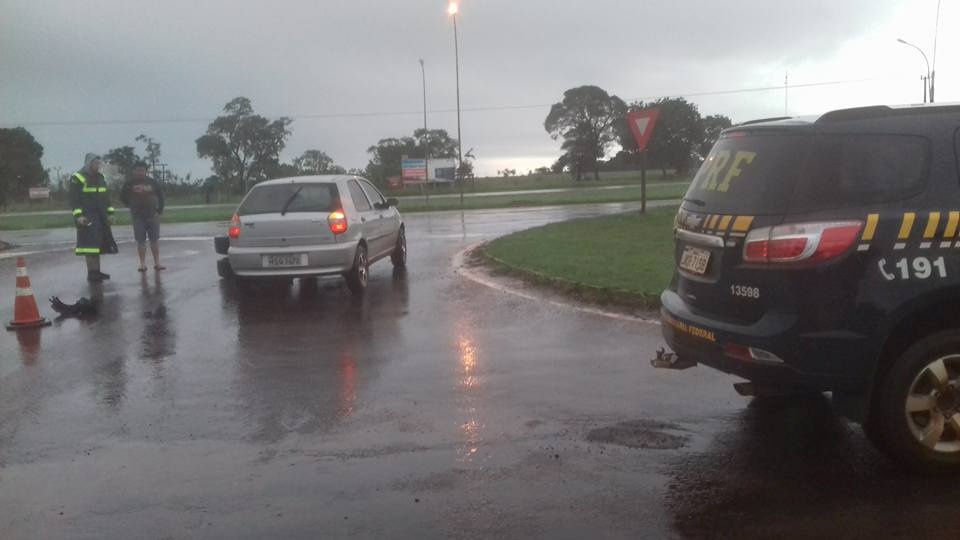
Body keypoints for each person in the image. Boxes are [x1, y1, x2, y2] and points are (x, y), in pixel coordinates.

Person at [69, 153, 118, 282]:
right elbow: (74, 200)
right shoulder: (77, 178)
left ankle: (96, 271)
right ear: (89, 163)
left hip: (101, 216)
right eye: (95, 163)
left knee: (97, 245)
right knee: (89, 246)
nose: (98, 166)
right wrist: (79, 216)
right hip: (87, 217)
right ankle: (91, 273)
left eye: (99, 163)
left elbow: (106, 198)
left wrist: (110, 213)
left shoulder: (101, 177)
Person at [120, 161, 166, 272]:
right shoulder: (129, 183)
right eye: (138, 170)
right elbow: (122, 196)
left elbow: (160, 195)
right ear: (134, 171)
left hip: (152, 215)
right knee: (141, 241)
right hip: (138, 217)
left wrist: (159, 209)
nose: (140, 172)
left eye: (143, 170)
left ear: (146, 171)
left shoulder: (153, 182)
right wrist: (130, 205)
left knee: (154, 240)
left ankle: (157, 263)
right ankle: (142, 264)